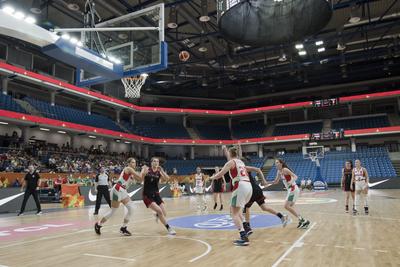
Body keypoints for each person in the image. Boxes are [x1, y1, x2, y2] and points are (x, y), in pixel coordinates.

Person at [209, 147, 253, 246]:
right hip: (248, 186)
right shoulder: (241, 162)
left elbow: (220, 174)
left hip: (240, 185)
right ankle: (246, 227)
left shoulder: (230, 162)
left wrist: (211, 177)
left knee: (233, 213)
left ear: (230, 153)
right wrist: (226, 149)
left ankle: (243, 237)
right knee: (238, 211)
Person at [95, 158, 145, 236]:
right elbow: (139, 177)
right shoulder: (128, 169)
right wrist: (143, 170)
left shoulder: (132, 173)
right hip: (117, 190)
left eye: (135, 162)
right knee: (113, 211)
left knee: (131, 208)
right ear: (128, 163)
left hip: (123, 191)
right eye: (132, 162)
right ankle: (98, 225)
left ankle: (123, 228)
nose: (134, 164)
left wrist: (144, 173)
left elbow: (140, 179)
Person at [269, 159, 310, 229]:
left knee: (286, 206)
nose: (276, 164)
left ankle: (302, 220)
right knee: (291, 206)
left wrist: (291, 182)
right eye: (275, 163)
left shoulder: (285, 170)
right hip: (290, 190)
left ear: (281, 163)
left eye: (277, 162)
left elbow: (295, 176)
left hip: (293, 189)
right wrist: (267, 183)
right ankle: (302, 220)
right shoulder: (279, 171)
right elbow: (276, 182)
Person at [142, 157, 176, 235]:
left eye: (157, 161)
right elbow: (141, 178)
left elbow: (167, 179)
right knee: (160, 211)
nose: (156, 162)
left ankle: (156, 214)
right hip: (147, 195)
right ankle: (169, 228)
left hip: (156, 194)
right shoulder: (147, 170)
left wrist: (162, 171)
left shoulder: (159, 172)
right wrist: (143, 171)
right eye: (154, 161)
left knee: (164, 213)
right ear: (151, 163)